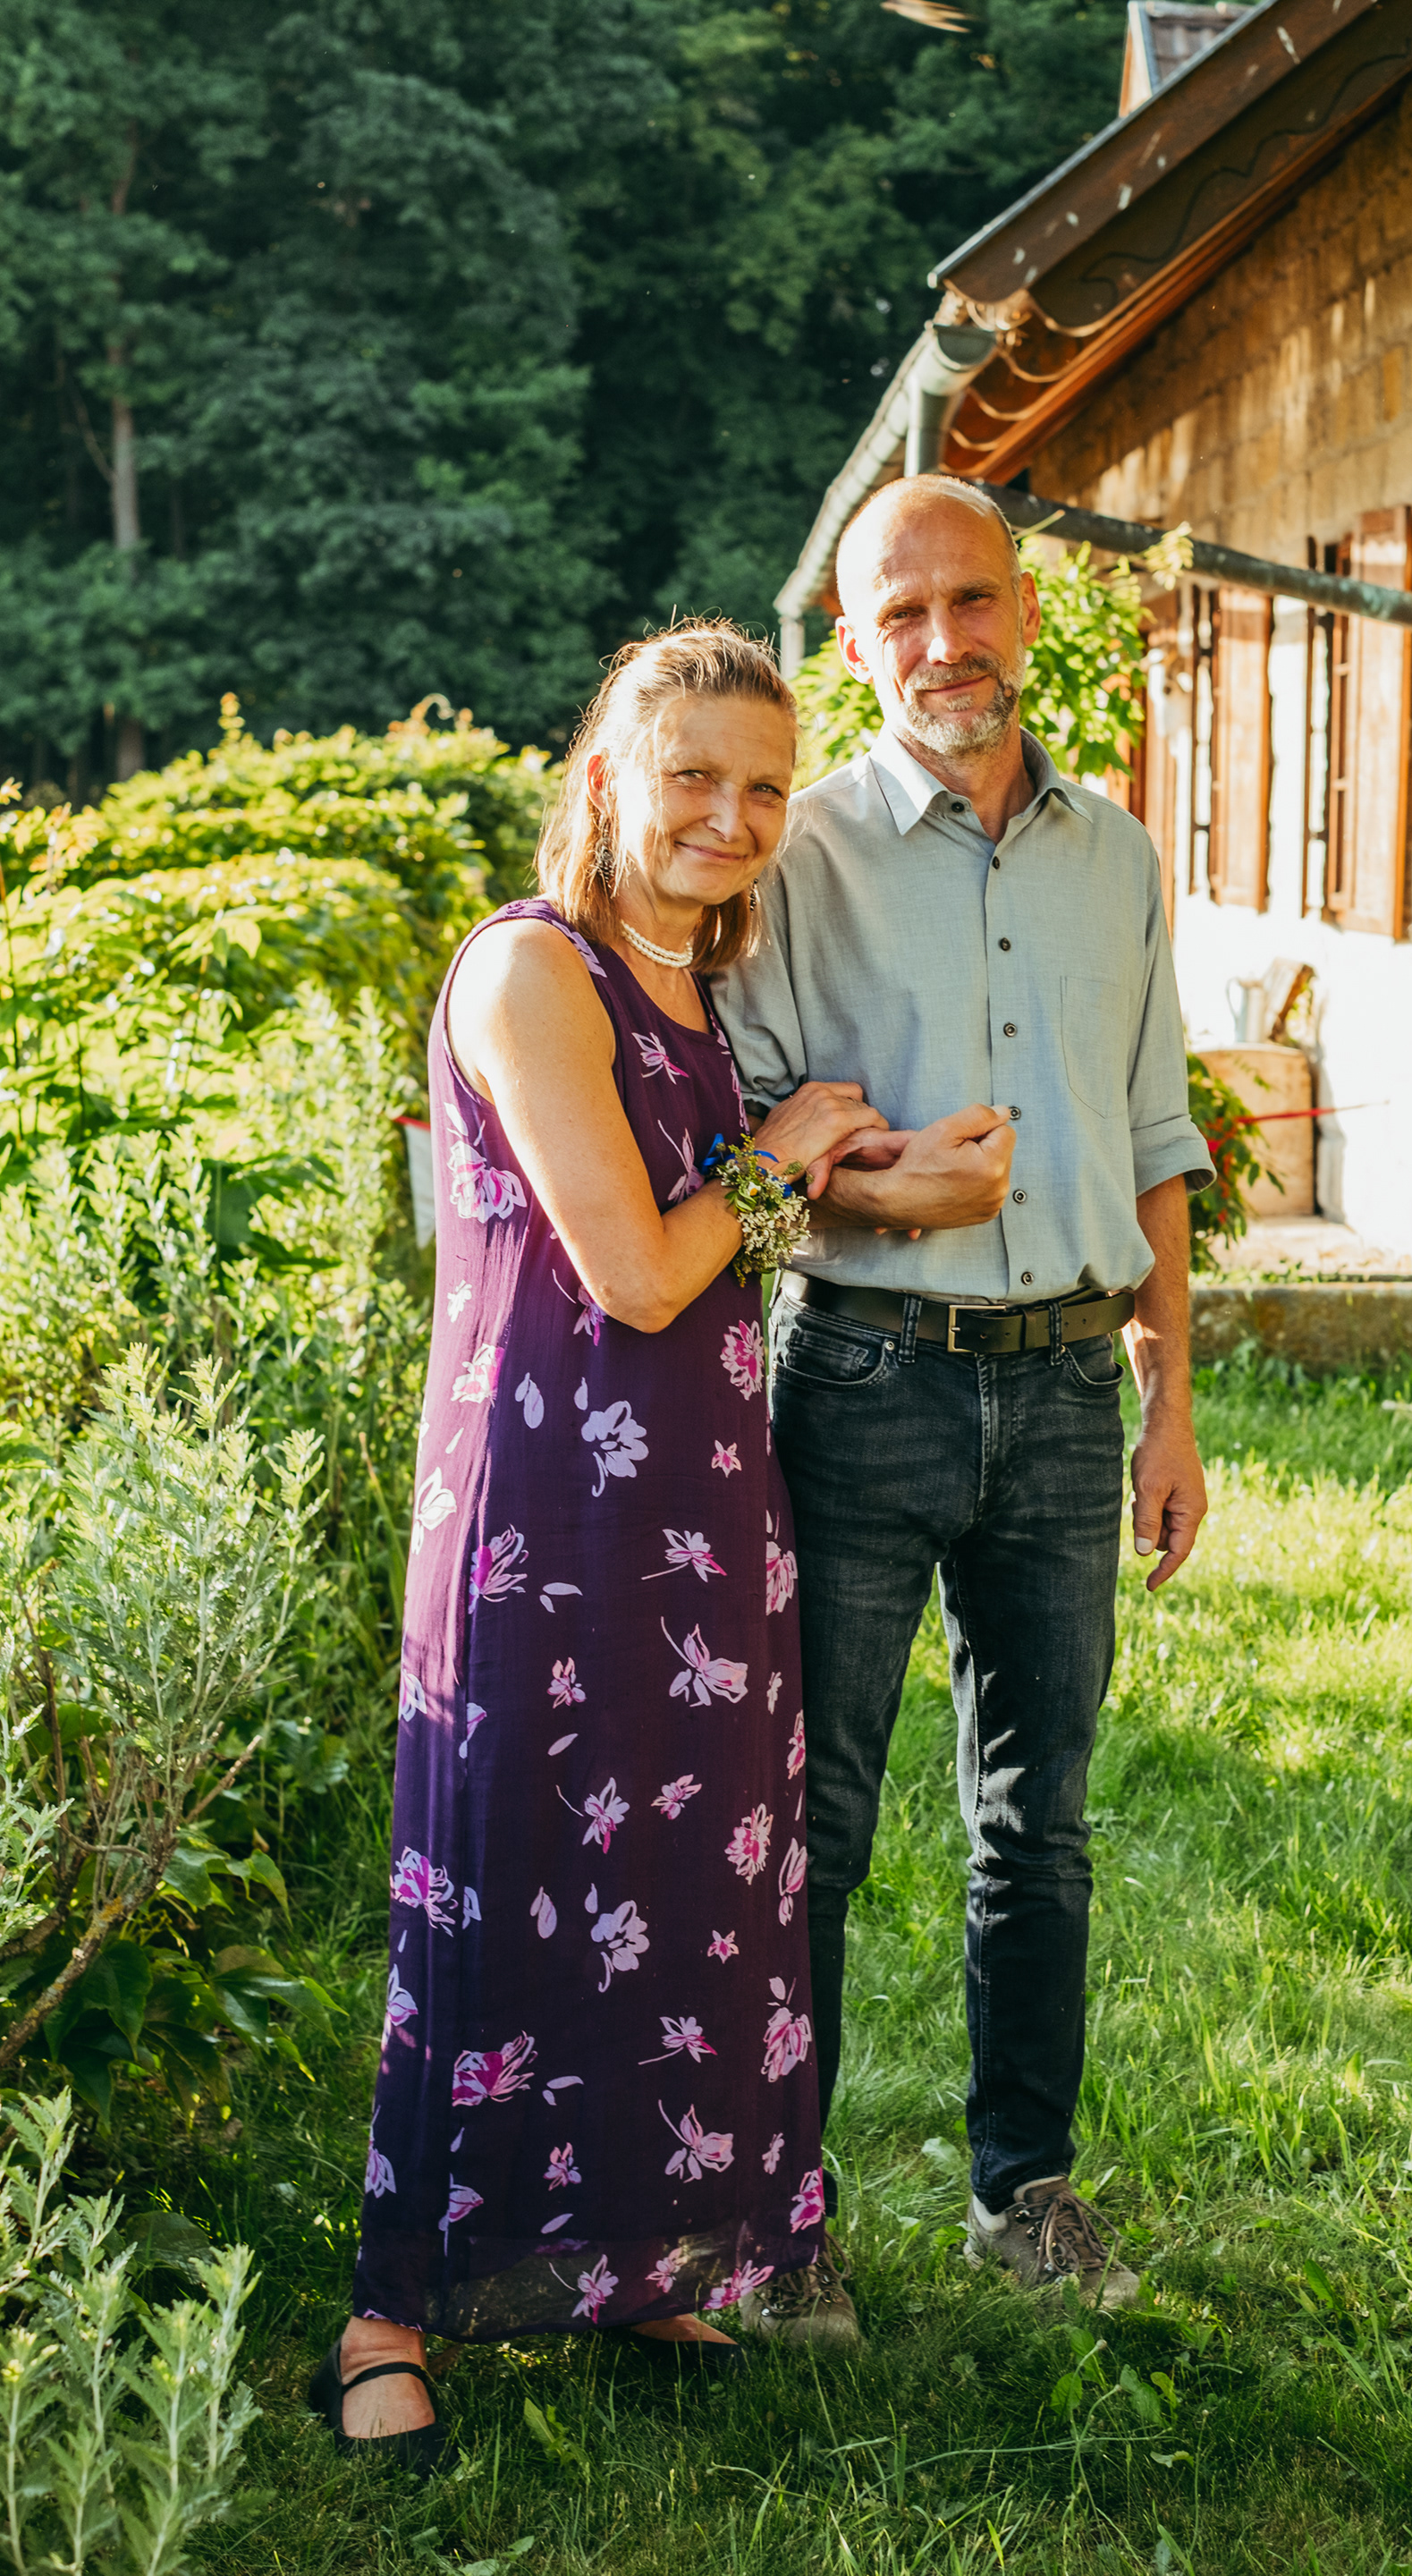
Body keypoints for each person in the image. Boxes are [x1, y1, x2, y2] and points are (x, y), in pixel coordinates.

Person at [312, 623, 883, 2470]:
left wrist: (840, 1167)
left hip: (701, 1511)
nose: (734, 816)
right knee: (501, 1877)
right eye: (695, 775)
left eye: (766, 789)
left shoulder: (692, 987)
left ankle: (632, 2259)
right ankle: (389, 2310)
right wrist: (785, 1157)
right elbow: (637, 1269)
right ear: (608, 779)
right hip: (541, 1519)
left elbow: (717, 1240)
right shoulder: (530, 967)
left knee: (681, 1881)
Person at [714, 475, 1214, 2325]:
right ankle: (785, 2221)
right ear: (855, 646)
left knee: (1042, 1820)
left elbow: (1158, 1141)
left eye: (972, 600)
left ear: (1026, 608)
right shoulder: (795, 857)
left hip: (1072, 1391)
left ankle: (1028, 2191)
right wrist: (891, 1189)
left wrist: (1172, 1406)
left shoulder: (1120, 855)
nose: (946, 641)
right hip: (861, 1382)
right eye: (903, 613)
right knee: (817, 1820)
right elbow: (750, 1147)